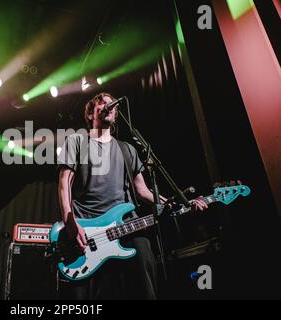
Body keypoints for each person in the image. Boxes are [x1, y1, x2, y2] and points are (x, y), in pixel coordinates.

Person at [57, 92, 207, 299]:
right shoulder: (77, 142)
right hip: (87, 229)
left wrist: (180, 203)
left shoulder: (127, 149)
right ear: (91, 115)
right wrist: (70, 221)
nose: (108, 107)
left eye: (112, 105)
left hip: (127, 226)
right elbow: (64, 182)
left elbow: (143, 191)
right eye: (101, 105)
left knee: (144, 281)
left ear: (117, 114)